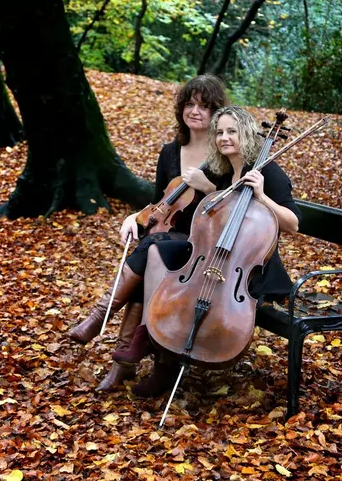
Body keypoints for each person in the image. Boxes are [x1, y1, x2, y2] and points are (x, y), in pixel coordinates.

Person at [115, 106, 302, 397]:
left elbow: (293, 224)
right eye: (220, 132)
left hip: (250, 270)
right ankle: (150, 334)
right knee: (156, 249)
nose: (224, 138)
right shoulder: (228, 170)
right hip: (215, 256)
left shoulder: (268, 171)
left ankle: (163, 365)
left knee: (161, 248)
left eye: (232, 131)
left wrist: (262, 195)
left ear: (247, 134)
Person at [66, 75, 228, 391]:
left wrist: (207, 187)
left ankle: (101, 319)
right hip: (164, 236)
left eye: (204, 106)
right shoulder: (170, 152)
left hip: (198, 244)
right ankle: (122, 364)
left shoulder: (222, 156)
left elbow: (228, 209)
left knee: (150, 248)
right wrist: (132, 217)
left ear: (216, 113)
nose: (195, 111)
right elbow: (157, 200)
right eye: (190, 104)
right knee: (149, 252)